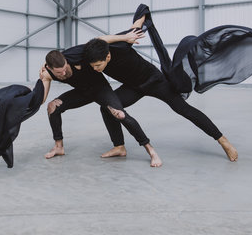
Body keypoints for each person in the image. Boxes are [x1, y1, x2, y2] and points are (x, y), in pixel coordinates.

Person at [83, 15, 238, 162]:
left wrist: (135, 27)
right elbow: (95, 42)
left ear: (108, 57)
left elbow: (140, 16)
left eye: (98, 65)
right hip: (133, 87)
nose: (96, 69)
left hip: (154, 81)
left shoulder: (122, 45)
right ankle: (119, 146)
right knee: (107, 108)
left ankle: (222, 140)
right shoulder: (92, 54)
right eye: (93, 66)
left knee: (183, 109)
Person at [41, 30, 163, 167]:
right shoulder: (46, 73)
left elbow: (100, 40)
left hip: (100, 89)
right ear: (49, 68)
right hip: (82, 93)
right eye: (59, 72)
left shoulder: (75, 53)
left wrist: (126, 37)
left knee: (120, 114)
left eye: (65, 68)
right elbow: (42, 98)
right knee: (52, 107)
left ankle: (151, 151)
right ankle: (59, 147)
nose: (63, 73)